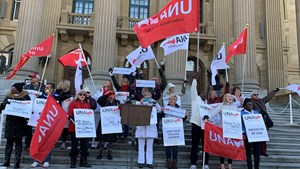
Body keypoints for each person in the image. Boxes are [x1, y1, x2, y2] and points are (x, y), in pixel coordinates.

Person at [0, 83, 31, 168]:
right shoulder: (8, 97)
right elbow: (2, 107)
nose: (13, 89)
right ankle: (7, 161)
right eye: (12, 88)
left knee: (18, 143)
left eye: (14, 88)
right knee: (9, 143)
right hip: (10, 123)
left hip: (20, 123)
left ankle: (17, 163)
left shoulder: (26, 97)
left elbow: (29, 109)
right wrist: (4, 104)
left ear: (19, 89)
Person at [206, 93, 238, 169]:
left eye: (230, 96)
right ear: (224, 98)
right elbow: (214, 112)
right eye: (228, 96)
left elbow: (237, 118)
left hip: (232, 130)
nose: (229, 97)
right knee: (222, 148)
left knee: (231, 148)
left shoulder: (235, 107)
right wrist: (208, 116)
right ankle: (222, 165)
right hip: (222, 129)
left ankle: (230, 166)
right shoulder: (221, 105)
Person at [31, 83, 59, 168]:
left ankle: (46, 160)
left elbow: (58, 107)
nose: (46, 89)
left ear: (52, 89)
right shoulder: (40, 97)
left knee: (48, 142)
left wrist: (50, 97)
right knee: (38, 141)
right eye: (45, 87)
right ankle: (36, 160)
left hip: (50, 122)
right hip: (39, 122)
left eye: (48, 87)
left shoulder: (56, 97)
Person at [136, 91, 161, 168]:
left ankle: (149, 162)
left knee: (150, 146)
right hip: (141, 126)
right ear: (143, 96)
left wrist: (155, 102)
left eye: (149, 95)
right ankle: (141, 161)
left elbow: (159, 110)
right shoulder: (139, 103)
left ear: (151, 96)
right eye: (146, 95)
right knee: (141, 146)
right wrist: (141, 102)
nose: (147, 96)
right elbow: (135, 109)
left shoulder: (154, 104)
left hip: (151, 127)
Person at [250, 88, 279, 157]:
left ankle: (263, 151)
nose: (256, 96)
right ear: (251, 96)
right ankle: (255, 150)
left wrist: (274, 91)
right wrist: (259, 112)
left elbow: (268, 97)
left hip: (263, 120)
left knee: (263, 137)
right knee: (255, 137)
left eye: (257, 94)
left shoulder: (261, 101)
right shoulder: (250, 102)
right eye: (255, 95)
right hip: (255, 120)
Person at [162, 95, 188, 169]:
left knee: (175, 146)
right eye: (169, 99)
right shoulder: (165, 108)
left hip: (176, 130)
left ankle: (175, 161)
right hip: (167, 130)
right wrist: (161, 111)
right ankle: (168, 160)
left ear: (175, 101)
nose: (171, 100)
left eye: (172, 99)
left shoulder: (179, 109)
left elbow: (182, 119)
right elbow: (161, 117)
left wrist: (185, 116)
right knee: (168, 146)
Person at [68, 90, 92, 168]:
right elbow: (69, 113)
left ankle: (83, 161)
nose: (82, 96)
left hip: (85, 129)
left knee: (85, 145)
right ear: (78, 95)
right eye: (80, 94)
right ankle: (73, 162)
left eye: (84, 95)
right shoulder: (73, 103)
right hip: (74, 127)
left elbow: (90, 115)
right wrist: (70, 116)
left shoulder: (87, 104)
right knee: (74, 145)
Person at [190, 79, 210, 169]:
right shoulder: (195, 99)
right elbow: (193, 90)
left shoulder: (206, 103)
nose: (204, 94)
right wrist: (194, 80)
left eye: (205, 93)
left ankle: (205, 163)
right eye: (202, 92)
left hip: (205, 126)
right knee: (195, 144)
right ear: (198, 94)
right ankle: (193, 163)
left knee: (205, 145)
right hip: (196, 124)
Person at [108, 68, 133, 140]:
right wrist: (112, 75)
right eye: (123, 81)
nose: (124, 82)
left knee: (126, 121)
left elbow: (131, 83)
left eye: (126, 81)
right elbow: (115, 83)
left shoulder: (129, 89)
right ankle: (118, 134)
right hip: (119, 107)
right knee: (119, 121)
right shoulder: (119, 88)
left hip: (127, 107)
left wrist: (133, 76)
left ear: (127, 82)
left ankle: (125, 135)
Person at [23, 73, 45, 150]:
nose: (31, 79)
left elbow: (47, 97)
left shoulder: (43, 88)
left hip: (39, 111)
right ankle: (27, 142)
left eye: (32, 77)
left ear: (37, 79)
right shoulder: (26, 87)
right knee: (28, 127)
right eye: (31, 77)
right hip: (29, 110)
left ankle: (37, 143)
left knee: (38, 128)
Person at [96, 90, 119, 160]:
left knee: (111, 140)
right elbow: (99, 100)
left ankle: (109, 153)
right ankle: (100, 153)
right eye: (110, 95)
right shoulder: (104, 102)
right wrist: (106, 95)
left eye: (112, 95)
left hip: (113, 124)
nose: (111, 96)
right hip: (104, 124)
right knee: (102, 140)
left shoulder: (117, 103)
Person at [241, 98, 262, 169]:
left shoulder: (256, 113)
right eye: (248, 104)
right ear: (244, 105)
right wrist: (243, 132)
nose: (250, 105)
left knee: (257, 154)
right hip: (247, 136)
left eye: (251, 104)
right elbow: (241, 125)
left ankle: (257, 167)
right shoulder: (241, 113)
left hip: (257, 136)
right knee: (248, 154)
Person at [55, 79, 72, 149]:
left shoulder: (68, 93)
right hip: (57, 112)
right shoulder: (57, 92)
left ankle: (63, 142)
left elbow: (68, 96)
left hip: (65, 112)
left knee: (65, 128)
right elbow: (57, 98)